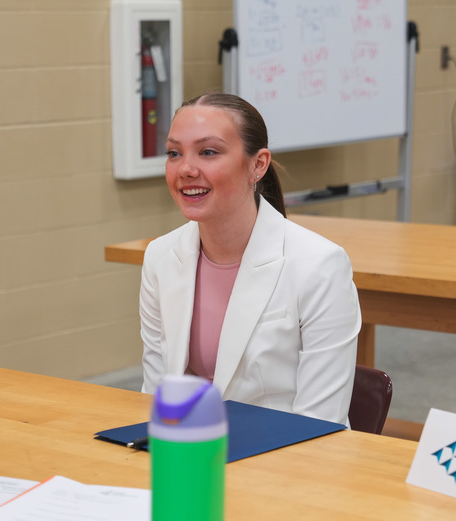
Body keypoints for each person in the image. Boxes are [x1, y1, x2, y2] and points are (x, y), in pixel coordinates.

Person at [140, 93, 362, 424]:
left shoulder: (320, 265)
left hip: (283, 459)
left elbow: (320, 422)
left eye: (208, 152)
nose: (185, 169)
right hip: (190, 453)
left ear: (257, 165)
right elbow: (156, 396)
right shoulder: (160, 257)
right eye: (174, 153)